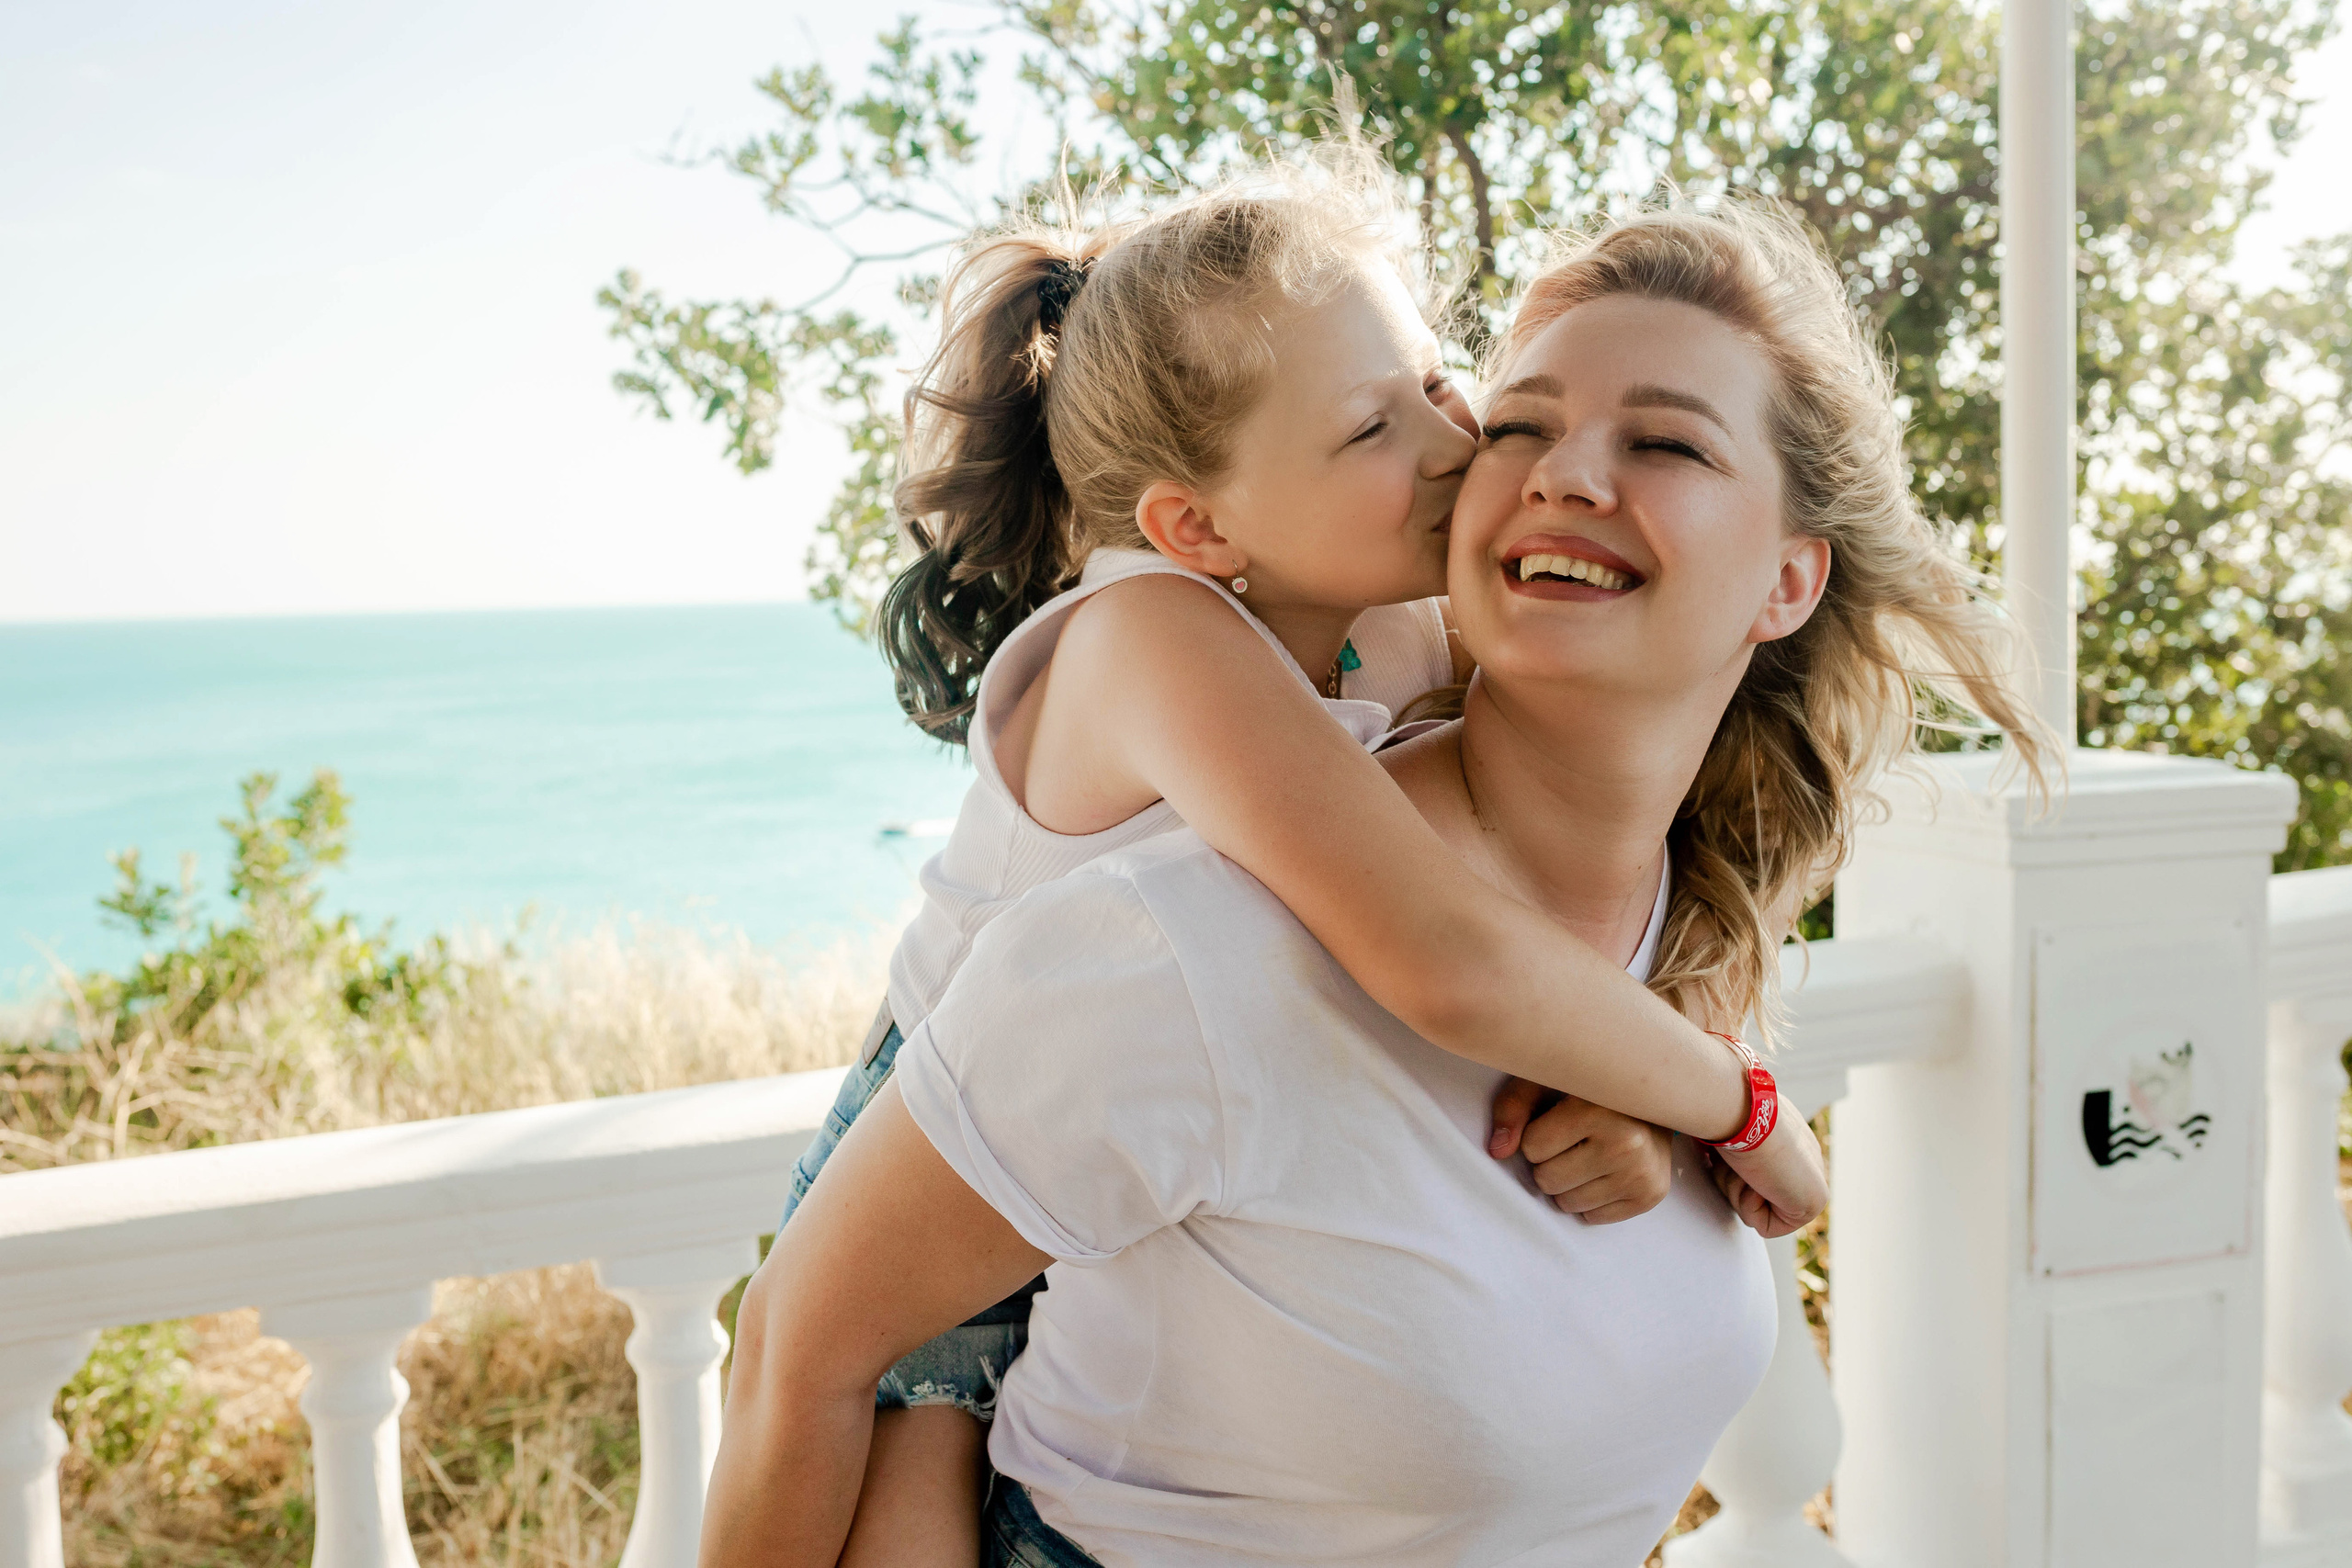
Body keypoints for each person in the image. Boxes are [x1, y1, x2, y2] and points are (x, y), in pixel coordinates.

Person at [708, 198, 2051, 1565]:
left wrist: (1662, 1079)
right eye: (1518, 422)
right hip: (946, 1086)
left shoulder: (1410, 658)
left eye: (1447, 398)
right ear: (1197, 521)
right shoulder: (1160, 673)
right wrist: (1739, 1103)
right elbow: (1441, 957)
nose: (1493, 460)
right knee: (918, 1441)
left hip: (1058, 1131)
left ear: (1790, 581)